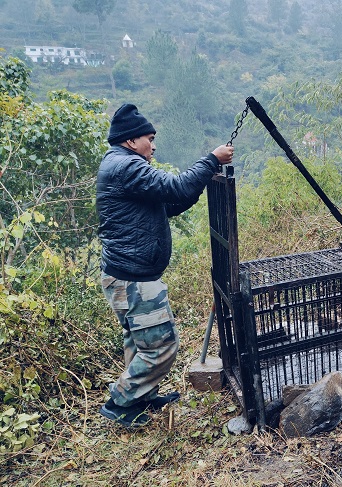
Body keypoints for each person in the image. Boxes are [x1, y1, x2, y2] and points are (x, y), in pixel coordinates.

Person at [96, 103, 234, 427]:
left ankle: (140, 399)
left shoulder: (122, 165)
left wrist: (198, 181)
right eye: (150, 138)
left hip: (128, 277)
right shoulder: (126, 166)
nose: (154, 146)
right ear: (132, 141)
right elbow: (175, 187)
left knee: (140, 341)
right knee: (162, 346)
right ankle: (121, 403)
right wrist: (212, 160)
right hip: (133, 280)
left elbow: (172, 200)